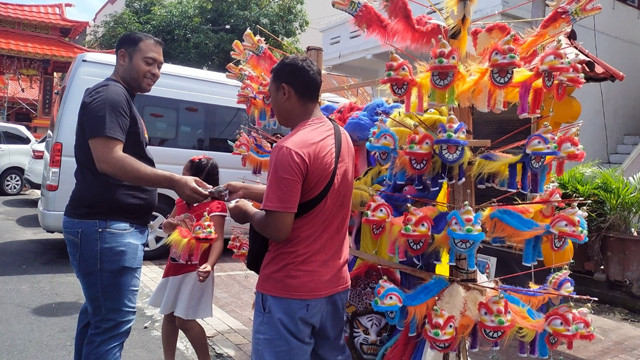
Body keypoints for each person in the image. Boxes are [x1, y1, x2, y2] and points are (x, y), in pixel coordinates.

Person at [62, 32, 210, 360]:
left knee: (98, 317)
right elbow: (109, 159)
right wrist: (173, 180)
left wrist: (167, 220)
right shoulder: (110, 96)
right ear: (123, 57)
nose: (156, 70)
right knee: (112, 322)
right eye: (148, 62)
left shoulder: (122, 98)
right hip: (106, 228)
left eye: (160, 65)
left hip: (109, 226)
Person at [225, 55, 355, 360]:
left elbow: (278, 228)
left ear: (285, 91)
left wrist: (246, 210)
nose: (270, 104)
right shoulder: (340, 136)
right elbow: (312, 192)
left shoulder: (290, 148)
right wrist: (248, 189)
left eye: (270, 96)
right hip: (333, 285)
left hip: (290, 291)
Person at [148, 155, 226, 360]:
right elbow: (167, 225)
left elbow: (217, 240)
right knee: (170, 315)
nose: (182, 181)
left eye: (185, 175)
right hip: (174, 266)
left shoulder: (215, 207)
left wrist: (209, 265)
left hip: (196, 269)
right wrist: (169, 226)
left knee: (184, 320)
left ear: (199, 180)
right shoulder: (181, 201)